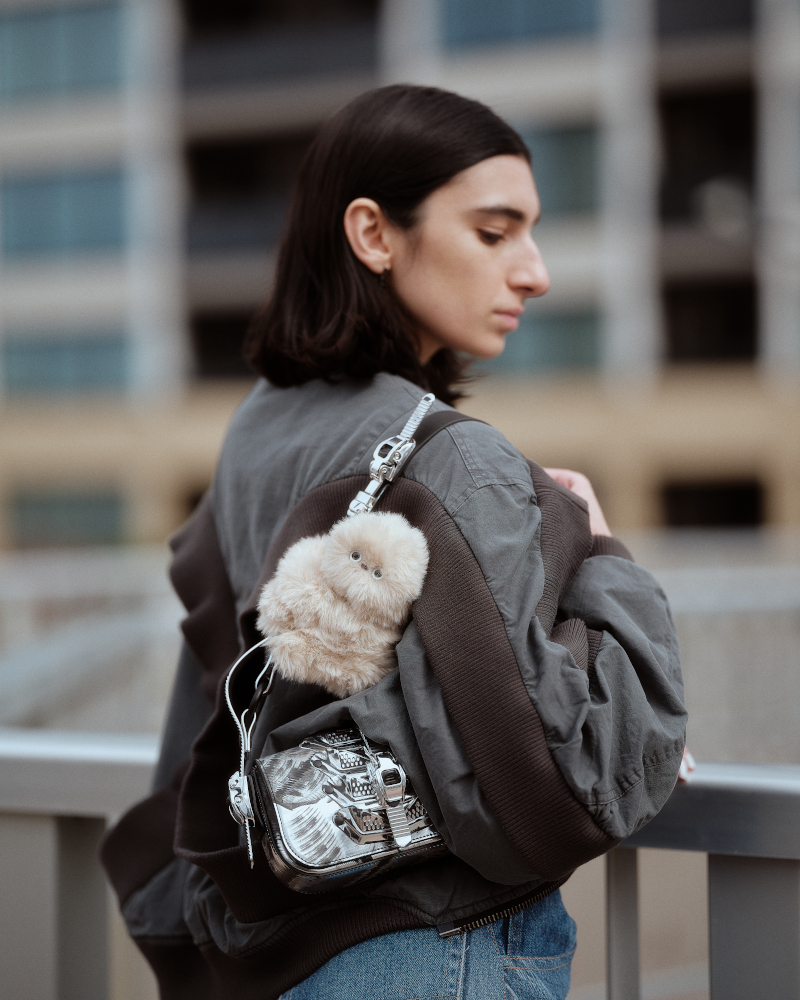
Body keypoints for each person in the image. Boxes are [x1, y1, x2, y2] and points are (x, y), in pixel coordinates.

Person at [102, 85, 687, 1000]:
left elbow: (211, 715)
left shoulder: (261, 428)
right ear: (374, 235)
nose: (534, 273)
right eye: (495, 234)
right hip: (439, 953)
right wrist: (606, 560)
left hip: (282, 951)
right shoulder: (455, 460)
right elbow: (583, 781)